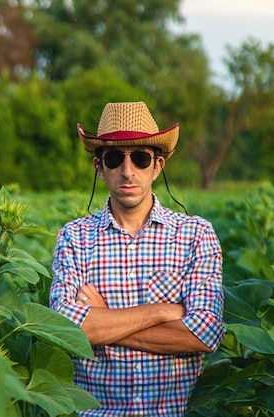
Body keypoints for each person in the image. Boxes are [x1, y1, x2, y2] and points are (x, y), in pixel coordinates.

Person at [50, 101, 225, 416]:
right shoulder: (74, 238)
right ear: (99, 168)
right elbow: (65, 328)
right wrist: (162, 312)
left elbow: (204, 333)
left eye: (141, 158)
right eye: (115, 158)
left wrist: (104, 318)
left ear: (157, 167)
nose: (127, 171)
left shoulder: (195, 235)